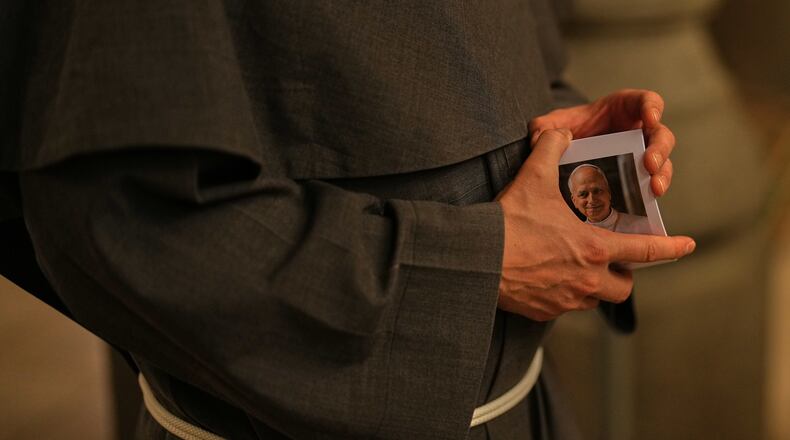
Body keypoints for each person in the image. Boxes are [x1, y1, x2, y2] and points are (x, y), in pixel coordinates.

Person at [1, 1, 694, 439]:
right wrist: (485, 262)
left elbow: (515, 67)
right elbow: (124, 223)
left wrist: (573, 146)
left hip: (527, 407)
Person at [568, 164, 653, 234]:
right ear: (574, 201)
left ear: (609, 193)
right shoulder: (575, 236)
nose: (591, 200)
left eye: (597, 191)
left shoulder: (644, 226)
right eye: (583, 194)